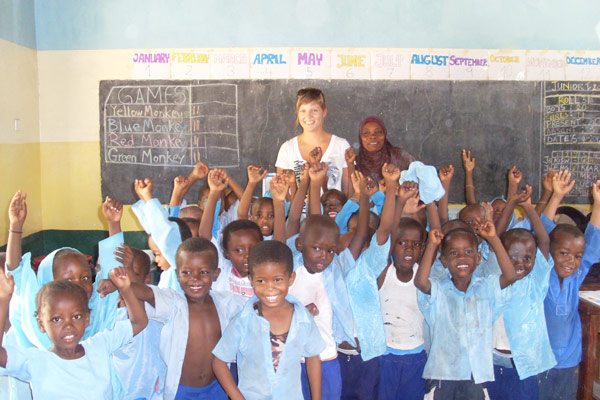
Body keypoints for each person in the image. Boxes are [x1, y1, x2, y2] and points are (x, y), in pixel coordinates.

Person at [100, 237, 245, 400]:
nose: (194, 278)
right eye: (186, 272)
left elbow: (254, 307)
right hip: (181, 391)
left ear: (216, 274)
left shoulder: (227, 303)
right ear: (177, 274)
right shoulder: (174, 302)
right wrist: (121, 285)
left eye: (203, 272)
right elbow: (147, 292)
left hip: (218, 387)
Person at [0, 266, 148, 399]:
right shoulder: (36, 361)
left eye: (76, 317)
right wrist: (3, 302)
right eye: (57, 319)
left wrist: (126, 289)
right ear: (42, 324)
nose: (68, 325)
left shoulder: (100, 345)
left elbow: (139, 322)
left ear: (86, 319)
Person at [415, 216, 517, 399]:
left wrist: (493, 238)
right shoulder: (438, 290)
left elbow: (509, 276)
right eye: (454, 253)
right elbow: (421, 283)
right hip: (442, 376)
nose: (462, 257)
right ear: (444, 260)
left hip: (475, 376)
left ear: (478, 258)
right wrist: (431, 245)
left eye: (468, 251)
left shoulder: (486, 288)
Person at [212, 240, 325, 400]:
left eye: (277, 279)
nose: (270, 288)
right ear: (251, 280)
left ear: (291, 278)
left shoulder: (303, 318)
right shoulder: (243, 321)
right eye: (261, 281)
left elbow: (313, 358)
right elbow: (219, 362)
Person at [485, 186, 555, 400]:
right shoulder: (494, 276)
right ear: (500, 255)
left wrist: (528, 208)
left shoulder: (536, 281)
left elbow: (544, 241)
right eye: (512, 256)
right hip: (493, 362)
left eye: (527, 258)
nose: (520, 263)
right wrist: (512, 204)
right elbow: (495, 238)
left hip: (525, 364)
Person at [537, 172, 600, 399]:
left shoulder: (576, 276)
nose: (570, 261)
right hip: (542, 360)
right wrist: (556, 197)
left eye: (576, 256)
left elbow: (592, 243)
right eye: (563, 253)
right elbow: (541, 233)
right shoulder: (541, 274)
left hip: (569, 360)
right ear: (549, 251)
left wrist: (598, 205)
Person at [275, 87, 351, 195]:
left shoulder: (341, 145)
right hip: (297, 212)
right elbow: (283, 195)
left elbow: (349, 192)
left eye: (314, 110)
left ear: (324, 112)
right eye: (303, 111)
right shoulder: (287, 148)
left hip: (333, 212)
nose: (308, 116)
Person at [351, 116, 417, 183]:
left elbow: (424, 174)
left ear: (384, 134)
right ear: (360, 138)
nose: (373, 136)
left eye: (378, 132)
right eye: (366, 133)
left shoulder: (400, 156)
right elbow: (350, 192)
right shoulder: (356, 164)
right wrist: (350, 164)